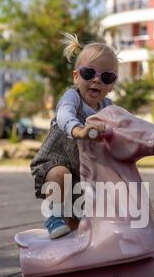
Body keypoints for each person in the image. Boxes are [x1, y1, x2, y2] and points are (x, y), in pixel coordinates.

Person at [30, 32, 119, 239]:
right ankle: (54, 216)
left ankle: (74, 243)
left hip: (86, 171)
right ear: (76, 76)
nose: (96, 80)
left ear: (112, 84)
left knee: (80, 219)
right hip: (57, 160)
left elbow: (123, 126)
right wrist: (79, 130)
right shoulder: (73, 97)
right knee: (60, 176)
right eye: (89, 73)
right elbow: (64, 115)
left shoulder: (109, 108)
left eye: (106, 77)